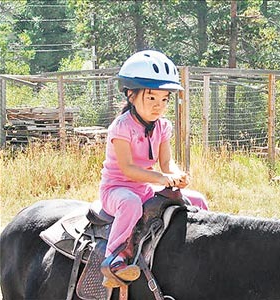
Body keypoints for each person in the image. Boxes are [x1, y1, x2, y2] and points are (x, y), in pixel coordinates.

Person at [99, 50, 208, 288]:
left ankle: (202, 247)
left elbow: (167, 163)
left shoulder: (162, 127)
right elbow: (128, 170)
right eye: (151, 99)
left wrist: (176, 176)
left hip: (146, 187)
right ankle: (115, 259)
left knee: (197, 199)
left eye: (164, 99)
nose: (158, 106)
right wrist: (163, 178)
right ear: (131, 95)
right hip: (116, 190)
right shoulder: (121, 128)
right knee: (130, 204)